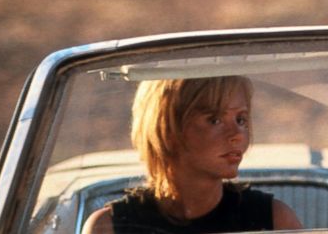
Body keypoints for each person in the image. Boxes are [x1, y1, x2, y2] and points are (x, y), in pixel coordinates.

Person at [83, 76, 302, 233]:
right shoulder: (110, 227)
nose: (236, 134)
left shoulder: (274, 221)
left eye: (241, 119)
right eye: (215, 120)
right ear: (167, 127)